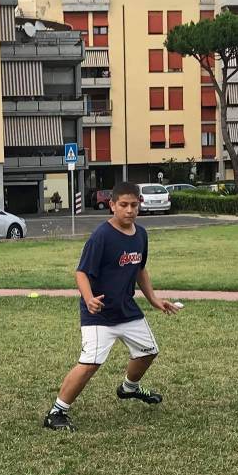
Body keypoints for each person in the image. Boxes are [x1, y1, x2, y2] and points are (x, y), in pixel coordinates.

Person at [42, 182, 179, 432]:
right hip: (99, 313)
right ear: (112, 206)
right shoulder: (101, 236)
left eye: (134, 205)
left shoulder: (141, 235)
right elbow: (81, 273)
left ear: (140, 205)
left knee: (148, 351)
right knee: (91, 363)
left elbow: (140, 269)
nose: (129, 210)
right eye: (123, 205)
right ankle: (56, 412)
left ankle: (129, 388)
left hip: (126, 310)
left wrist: (154, 300)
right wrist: (89, 298)